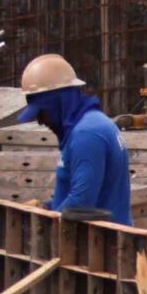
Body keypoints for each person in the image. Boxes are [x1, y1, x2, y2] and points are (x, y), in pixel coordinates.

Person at [16, 53, 131, 225]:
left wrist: (42, 223)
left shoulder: (87, 135)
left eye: (42, 113)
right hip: (97, 243)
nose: (40, 121)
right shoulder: (89, 125)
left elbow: (80, 206)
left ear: (57, 104)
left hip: (100, 247)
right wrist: (47, 207)